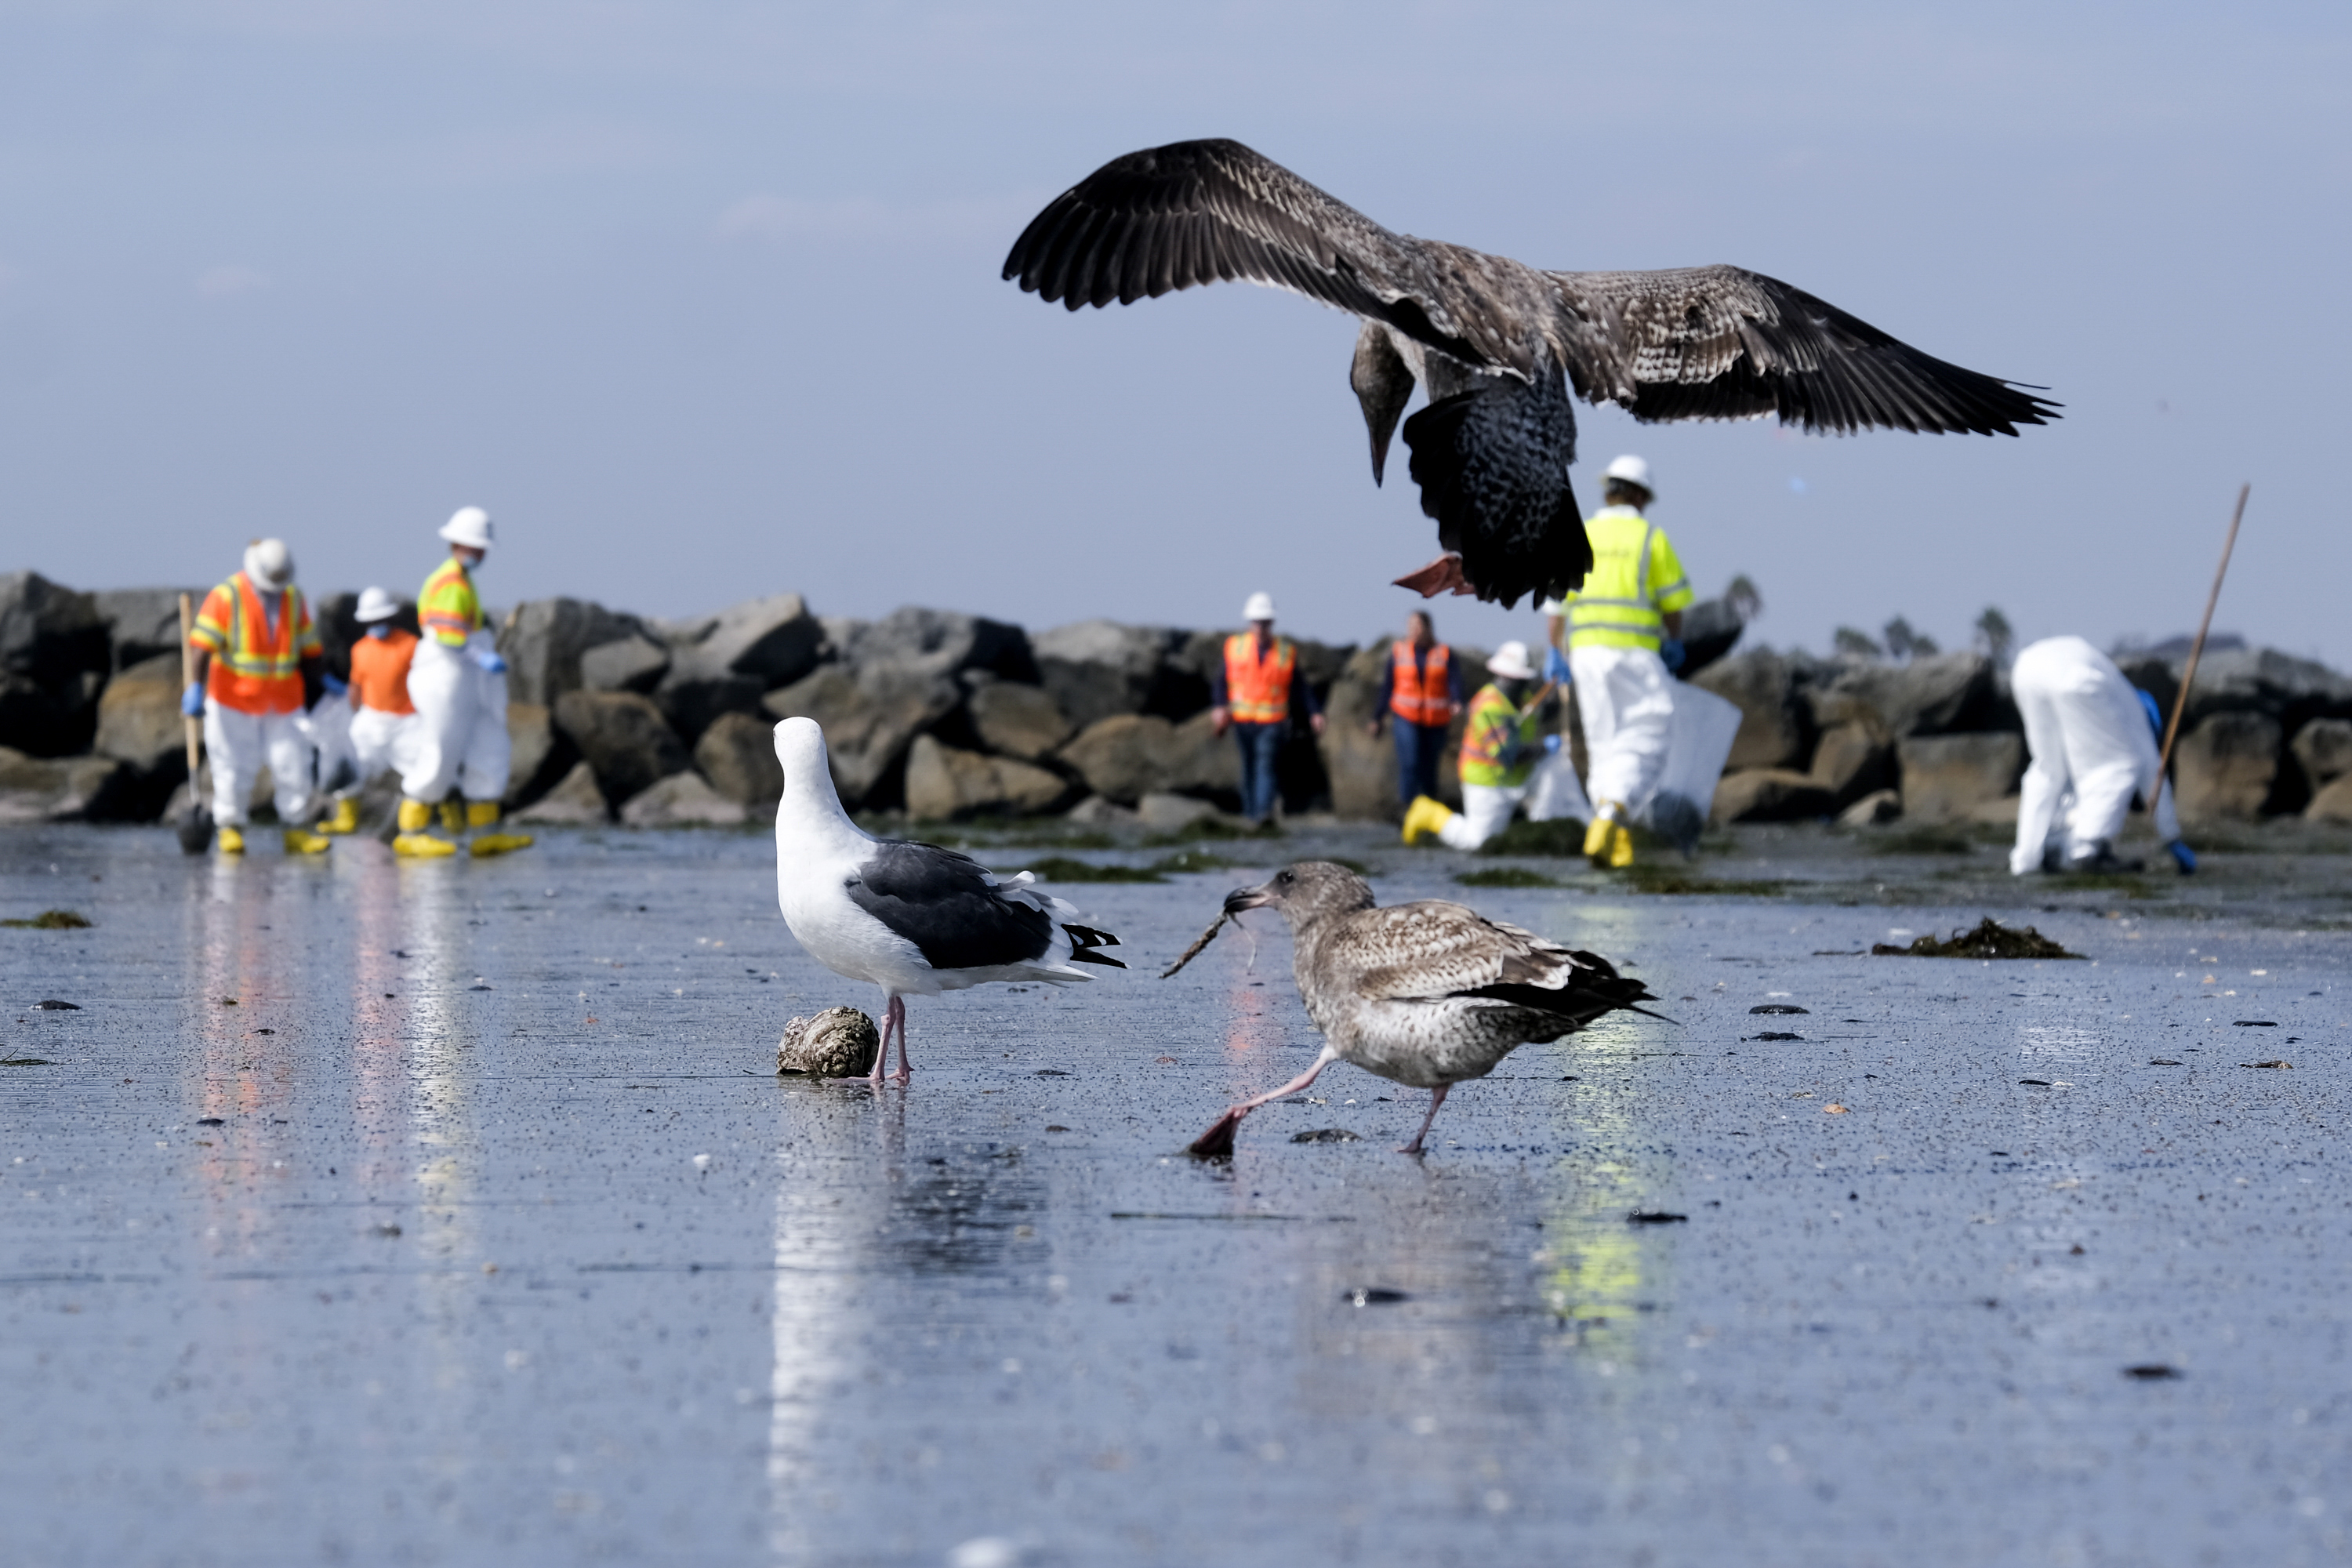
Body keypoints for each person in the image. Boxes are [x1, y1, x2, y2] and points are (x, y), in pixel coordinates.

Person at [1539, 454, 1693, 869]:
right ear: (1640, 495)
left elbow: (1556, 607)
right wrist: (1674, 642)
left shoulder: (1580, 533)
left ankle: (1610, 834)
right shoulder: (1649, 538)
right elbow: (1673, 603)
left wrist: (1556, 652)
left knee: (1605, 743)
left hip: (1586, 656)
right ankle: (1610, 815)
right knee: (1649, 734)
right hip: (1636, 653)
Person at [393, 507, 532, 858]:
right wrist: (480, 655)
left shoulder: (462, 581)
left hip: (465, 676)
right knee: (440, 748)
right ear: (458, 544)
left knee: (488, 744)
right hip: (445, 675)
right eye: (475, 546)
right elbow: (448, 636)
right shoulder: (450, 583)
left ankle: (485, 832)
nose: (480, 553)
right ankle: (411, 831)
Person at [182, 538, 335, 855]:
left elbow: (309, 648)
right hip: (233, 700)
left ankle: (296, 829)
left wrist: (325, 679)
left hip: (284, 701)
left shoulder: (293, 597)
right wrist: (194, 686)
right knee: (233, 767)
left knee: (294, 764)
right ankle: (230, 828)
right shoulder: (227, 595)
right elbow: (200, 649)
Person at [2009, 635, 2194, 875]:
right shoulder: (2137, 718)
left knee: (2049, 769)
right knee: (2120, 764)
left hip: (2027, 669)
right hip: (2076, 678)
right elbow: (2153, 773)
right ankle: (2084, 850)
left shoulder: (2120, 692)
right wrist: (2171, 838)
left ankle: (2028, 858)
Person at [1400, 642, 1568, 849]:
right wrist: (1543, 748)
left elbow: (1544, 712)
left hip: (1519, 777)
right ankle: (1426, 812)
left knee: (1558, 763)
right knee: (1477, 842)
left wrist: (1556, 687)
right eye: (1517, 678)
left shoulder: (1522, 699)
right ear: (1502, 675)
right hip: (1487, 782)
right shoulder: (1488, 706)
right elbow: (1507, 755)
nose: (1523, 684)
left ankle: (1555, 821)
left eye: (1525, 679)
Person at [1208, 592, 1324, 827]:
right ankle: (1251, 817)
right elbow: (1221, 681)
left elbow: (1300, 686)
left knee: (1265, 766)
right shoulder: (1235, 647)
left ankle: (1263, 814)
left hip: (1272, 722)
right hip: (1242, 721)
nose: (1261, 626)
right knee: (1248, 769)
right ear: (1250, 623)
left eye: (1265, 622)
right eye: (1257, 622)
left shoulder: (1285, 652)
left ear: (1271, 623)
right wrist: (1220, 707)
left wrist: (1315, 712)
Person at [314, 587, 420, 835]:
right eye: (371, 621)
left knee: (423, 771)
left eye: (380, 620)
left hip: (408, 721)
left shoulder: (410, 644)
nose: (375, 624)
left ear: (389, 618)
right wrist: (353, 714)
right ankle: (346, 818)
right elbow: (356, 686)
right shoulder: (360, 649)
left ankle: (415, 825)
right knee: (353, 767)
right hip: (372, 719)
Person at [1367, 610, 1463, 812]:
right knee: (1410, 762)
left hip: (1436, 719)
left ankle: (1429, 809)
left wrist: (1456, 701)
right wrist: (1377, 717)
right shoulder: (1399, 651)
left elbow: (1454, 681)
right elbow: (1388, 687)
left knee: (1430, 767)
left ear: (1428, 629)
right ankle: (1407, 808)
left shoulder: (1444, 652)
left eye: (1418, 627)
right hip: (1405, 716)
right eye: (1410, 627)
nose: (1413, 631)